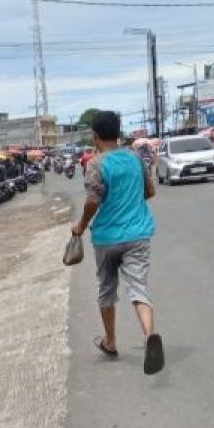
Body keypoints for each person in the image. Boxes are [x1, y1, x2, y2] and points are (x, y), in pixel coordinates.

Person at [70, 111, 163, 375]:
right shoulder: (135, 158)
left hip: (106, 238)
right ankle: (149, 336)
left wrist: (81, 225)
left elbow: (92, 201)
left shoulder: (96, 164)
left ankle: (110, 341)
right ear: (119, 132)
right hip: (138, 235)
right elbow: (150, 191)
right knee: (138, 288)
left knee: (106, 289)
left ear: (95, 136)